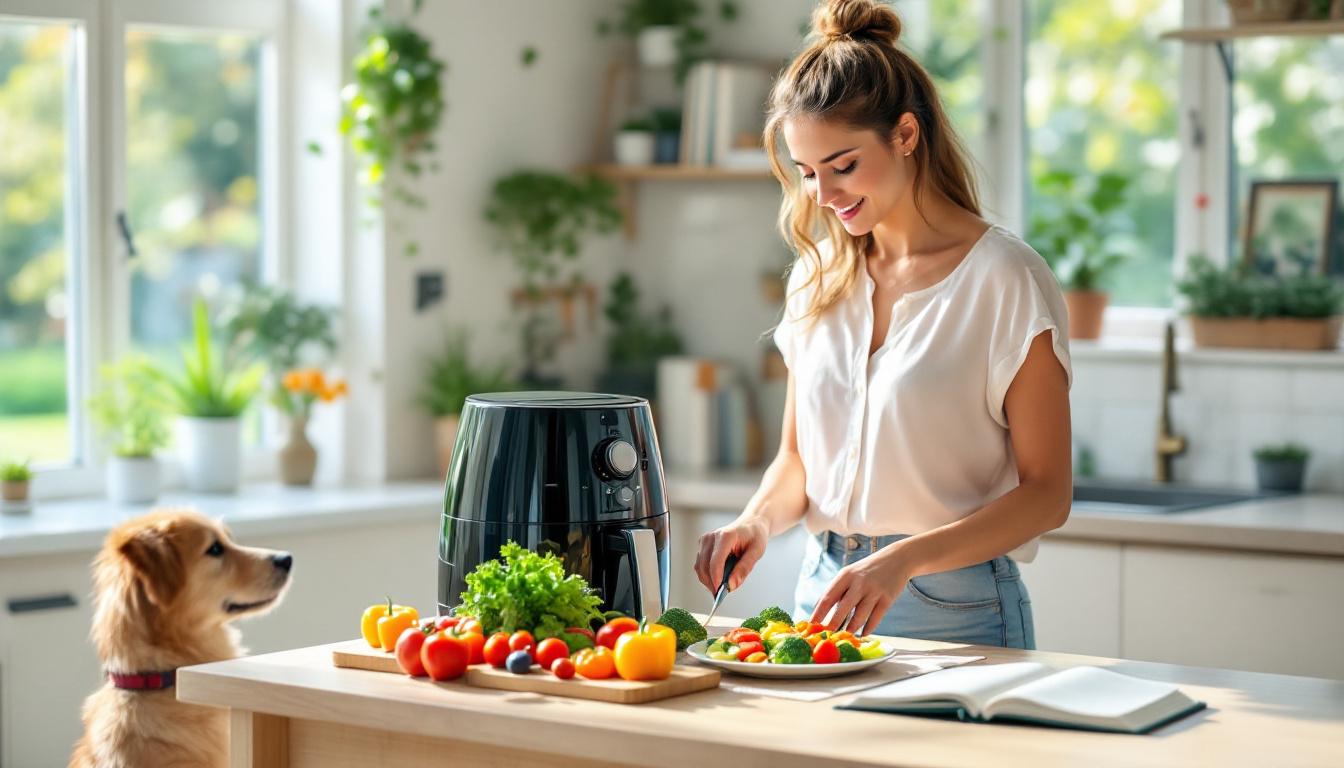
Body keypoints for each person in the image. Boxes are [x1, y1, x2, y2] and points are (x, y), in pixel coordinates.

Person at [692, 0, 1072, 649]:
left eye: (842, 165)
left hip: (953, 604)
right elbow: (795, 461)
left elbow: (1047, 494)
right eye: (808, 174)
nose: (825, 194)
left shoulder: (1005, 279)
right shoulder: (817, 279)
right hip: (821, 597)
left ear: (905, 134)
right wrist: (756, 522)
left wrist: (904, 560)